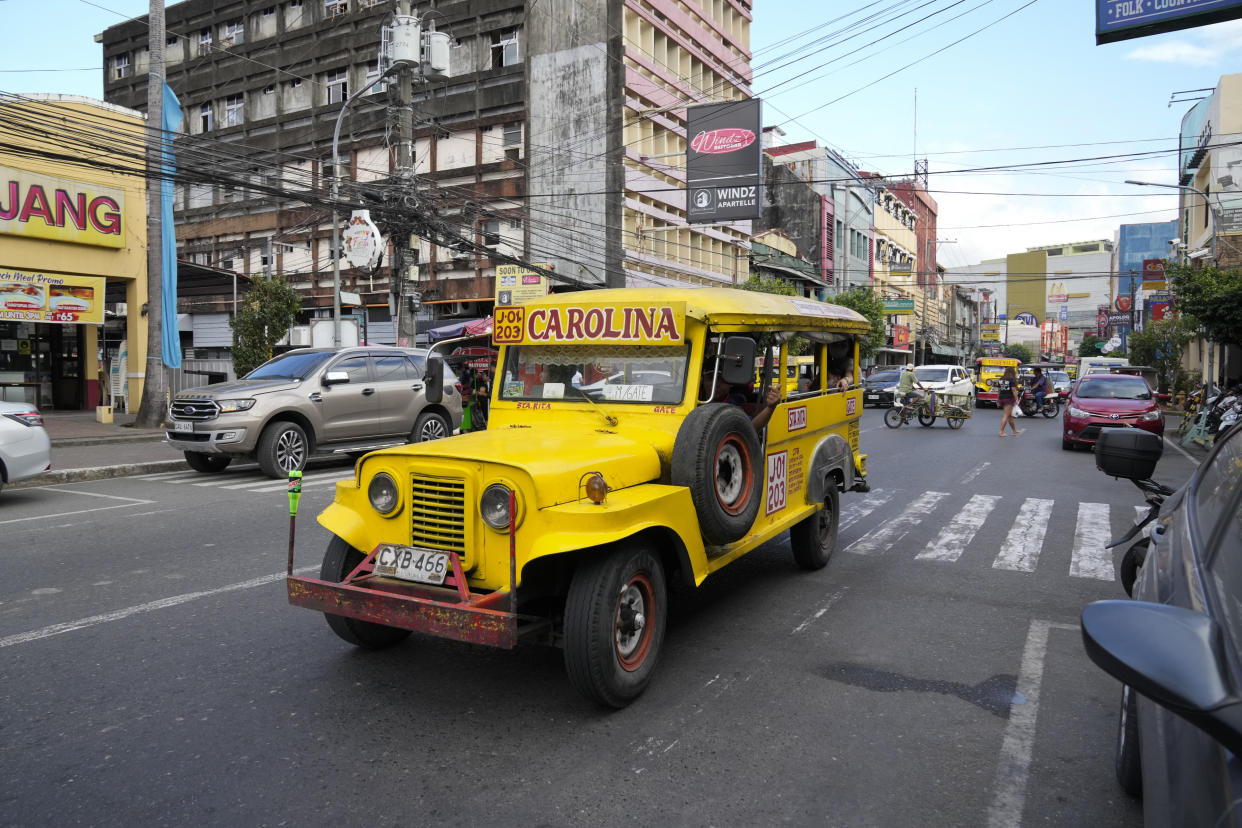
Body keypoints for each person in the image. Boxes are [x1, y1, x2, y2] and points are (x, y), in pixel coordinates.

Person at [996, 365, 1021, 436]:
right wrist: (1016, 399)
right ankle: (1001, 431)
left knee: (1010, 416)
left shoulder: (1001, 379)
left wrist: (998, 400)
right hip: (1009, 398)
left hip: (1002, 398)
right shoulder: (1011, 380)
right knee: (1006, 415)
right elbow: (1013, 390)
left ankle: (1014, 430)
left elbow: (999, 390)